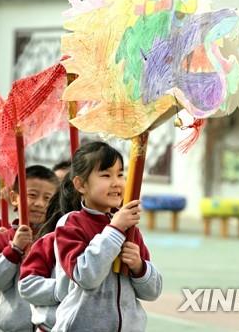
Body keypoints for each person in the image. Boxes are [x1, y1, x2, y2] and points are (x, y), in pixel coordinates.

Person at [52, 141, 163, 331]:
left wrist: (139, 266)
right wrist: (114, 230)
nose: (116, 182)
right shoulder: (71, 224)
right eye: (105, 175)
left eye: (120, 174)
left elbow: (152, 292)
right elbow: (86, 276)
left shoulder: (130, 229)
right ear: (80, 184)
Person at [0, 165, 59, 332]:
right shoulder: (1, 239)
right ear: (14, 197)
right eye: (32, 195)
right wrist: (14, 249)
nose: (39, 204)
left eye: (48, 198)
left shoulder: (57, 240)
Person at [18, 173, 80, 331]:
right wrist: (63, 289)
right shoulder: (49, 241)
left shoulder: (111, 241)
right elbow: (26, 285)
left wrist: (139, 267)